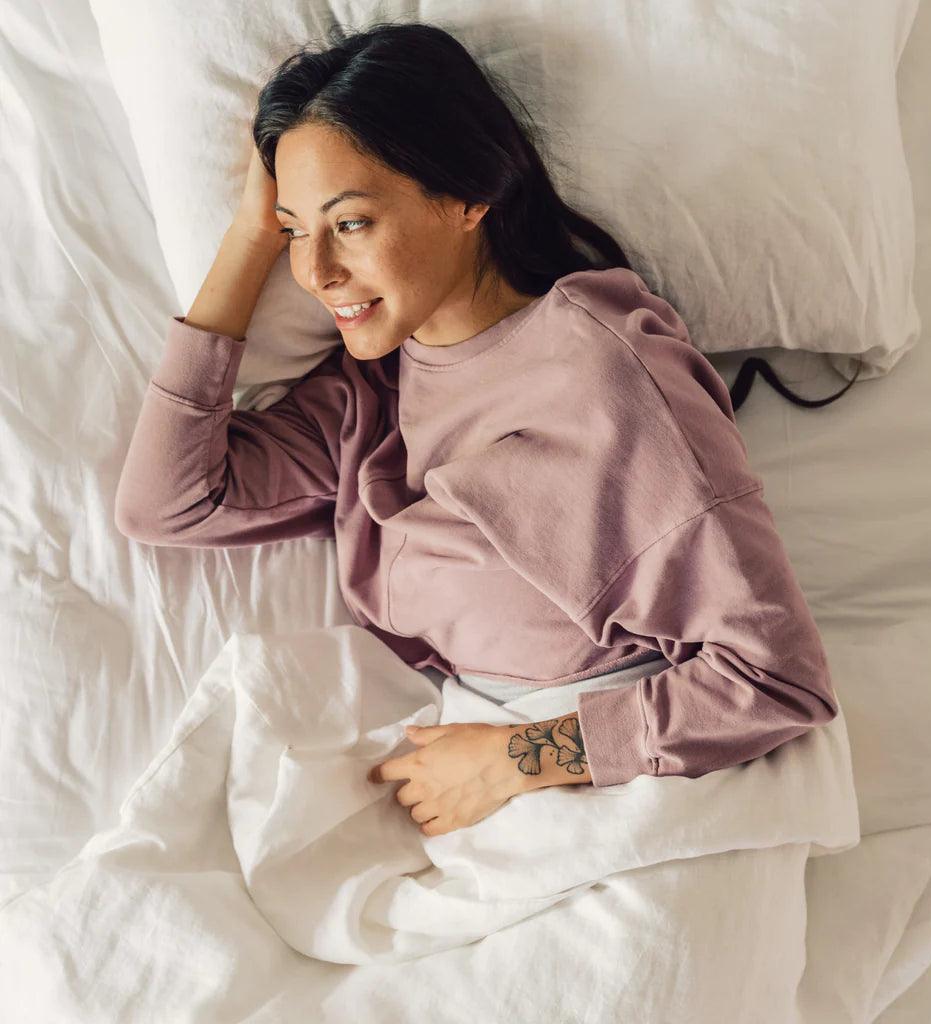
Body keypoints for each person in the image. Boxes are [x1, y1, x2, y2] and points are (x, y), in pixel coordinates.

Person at [114, 21, 838, 838]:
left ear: (467, 195)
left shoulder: (606, 383)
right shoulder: (372, 389)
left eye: (350, 224)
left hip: (631, 783)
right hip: (474, 777)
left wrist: (514, 758)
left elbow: (777, 680)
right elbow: (165, 506)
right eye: (294, 233)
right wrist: (248, 240)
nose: (316, 274)